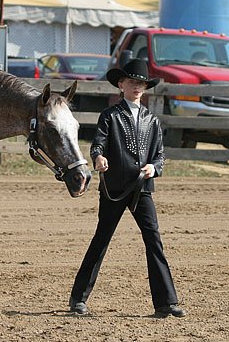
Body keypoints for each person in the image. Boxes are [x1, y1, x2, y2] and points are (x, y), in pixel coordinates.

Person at [69, 58, 185, 318]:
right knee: (102, 239)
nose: (137, 86)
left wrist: (153, 168)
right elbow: (98, 143)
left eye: (141, 83)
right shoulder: (110, 116)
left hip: (142, 189)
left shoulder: (152, 120)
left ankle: (166, 302)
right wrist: (98, 157)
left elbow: (160, 156)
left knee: (153, 240)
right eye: (132, 82)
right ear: (121, 85)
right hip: (115, 188)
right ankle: (78, 298)